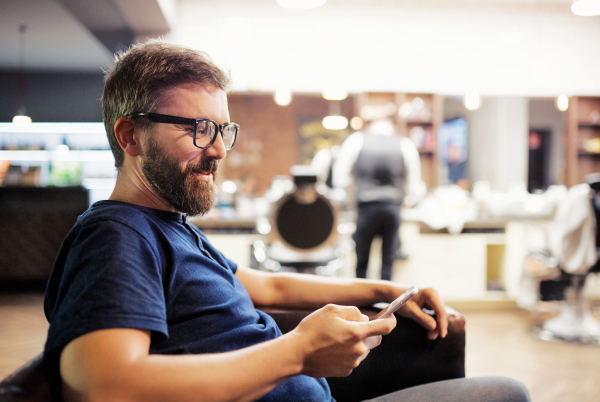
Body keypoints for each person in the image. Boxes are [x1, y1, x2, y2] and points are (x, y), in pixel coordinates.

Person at [43, 40, 530, 402]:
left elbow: (268, 288)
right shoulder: (116, 235)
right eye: (197, 129)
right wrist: (297, 352)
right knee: (507, 393)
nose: (216, 149)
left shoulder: (172, 227)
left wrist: (383, 290)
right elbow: (106, 386)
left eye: (222, 130)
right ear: (130, 136)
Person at [334, 119, 423, 281]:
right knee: (388, 261)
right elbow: (414, 184)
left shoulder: (357, 141)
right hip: (392, 208)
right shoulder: (404, 144)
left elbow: (341, 178)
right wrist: (408, 200)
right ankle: (387, 303)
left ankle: (360, 300)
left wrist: (350, 199)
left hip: (365, 207)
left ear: (370, 129)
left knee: (361, 261)